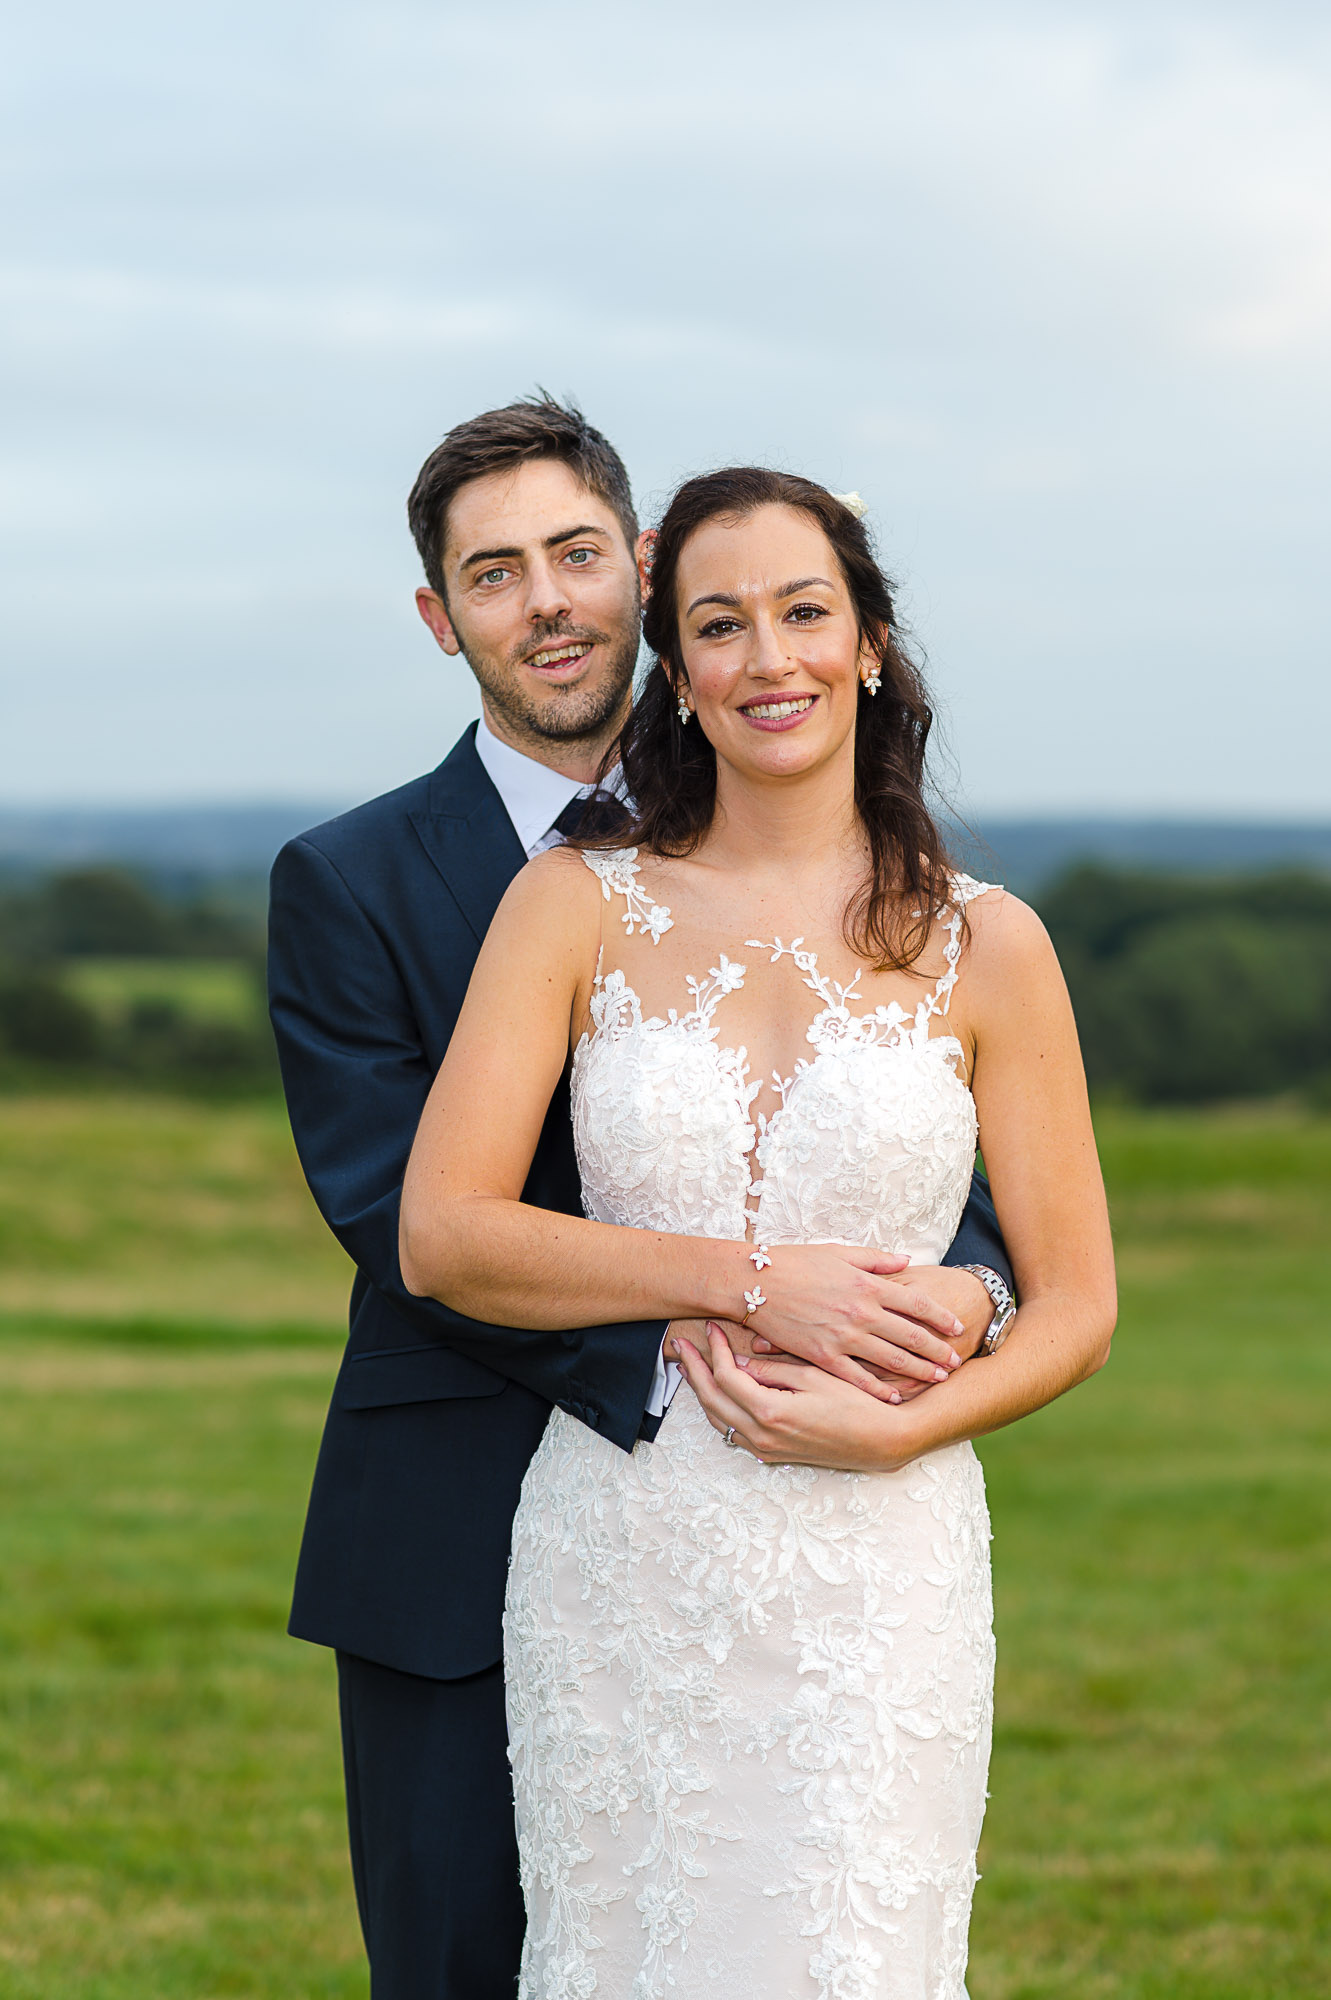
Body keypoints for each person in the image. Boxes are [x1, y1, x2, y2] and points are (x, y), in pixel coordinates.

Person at [269, 401, 1013, 2000]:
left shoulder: (861, 865)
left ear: (646, 572)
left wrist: (970, 1288)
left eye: (577, 555)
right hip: (474, 1531)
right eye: (492, 574)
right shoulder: (350, 882)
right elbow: (408, 1225)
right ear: (439, 618)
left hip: (819, 1517)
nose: (544, 600)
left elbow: (935, 1137)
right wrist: (725, 1313)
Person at [399, 464, 1117, 1998]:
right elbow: (448, 1235)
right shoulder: (575, 903)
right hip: (623, 1549)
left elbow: (1075, 1308)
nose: (768, 657)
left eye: (805, 612)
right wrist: (750, 1282)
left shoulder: (994, 945)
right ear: (676, 664)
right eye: (718, 625)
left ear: (869, 642)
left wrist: (907, 1435)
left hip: (882, 1559)